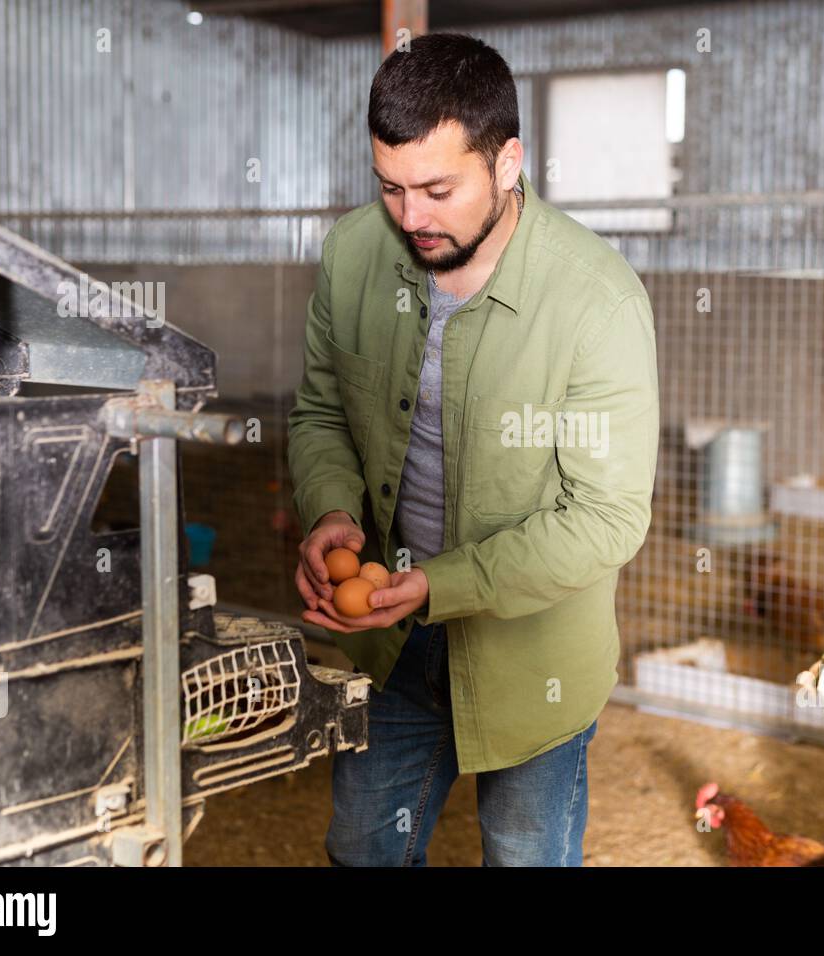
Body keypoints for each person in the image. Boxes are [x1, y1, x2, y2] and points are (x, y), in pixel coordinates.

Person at [287, 31, 659, 866]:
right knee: (362, 851)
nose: (411, 217)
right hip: (389, 638)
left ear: (509, 161)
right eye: (389, 186)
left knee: (524, 854)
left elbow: (605, 518)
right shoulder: (352, 257)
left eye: (437, 188)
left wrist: (440, 584)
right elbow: (320, 413)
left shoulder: (597, 302)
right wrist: (334, 511)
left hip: (533, 655)